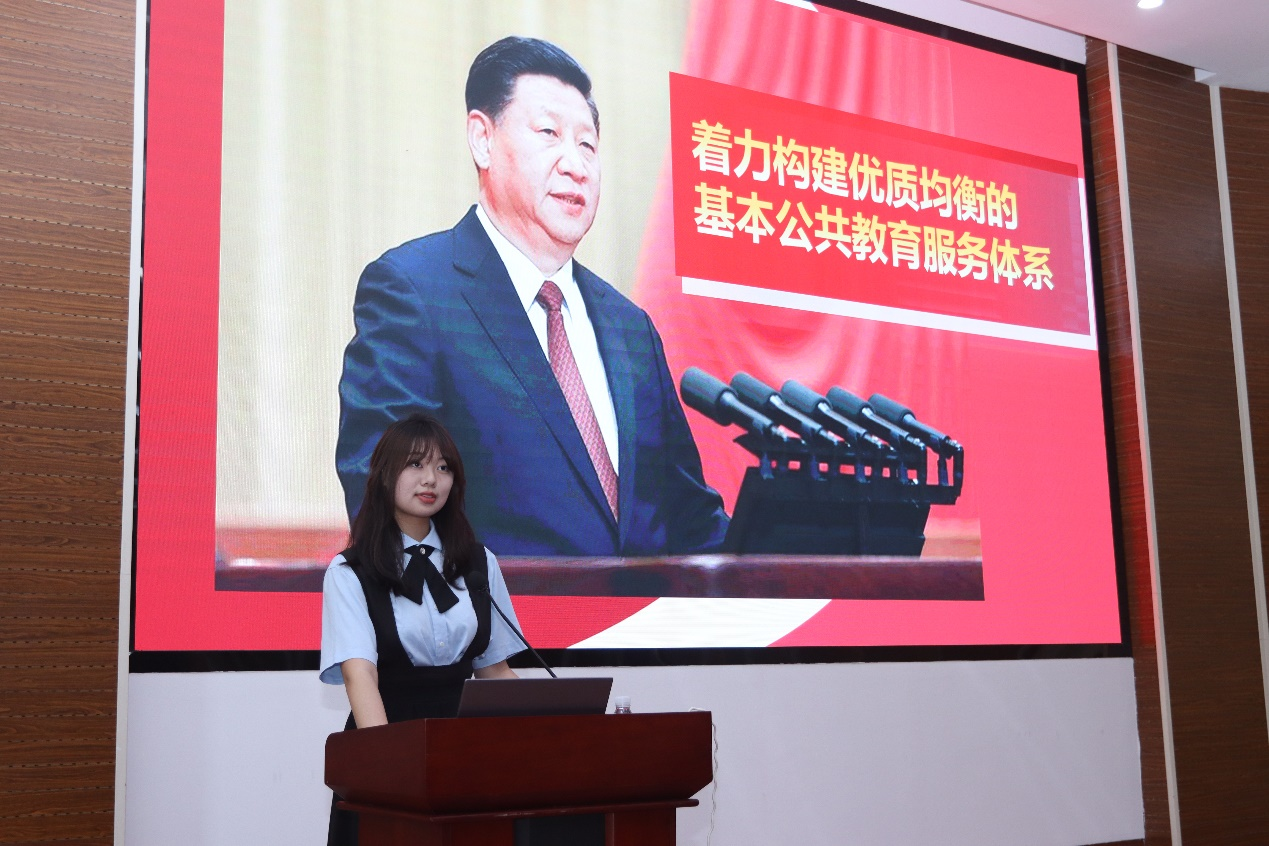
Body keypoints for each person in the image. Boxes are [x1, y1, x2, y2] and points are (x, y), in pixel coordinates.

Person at [335, 35, 730, 557]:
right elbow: (394, 510)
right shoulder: (414, 293)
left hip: (646, 613)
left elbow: (689, 518)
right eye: (549, 133)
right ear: (482, 140)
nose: (576, 165)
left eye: (588, 144)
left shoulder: (630, 327)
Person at [320, 414, 523, 845]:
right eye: (415, 464)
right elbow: (360, 676)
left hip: (465, 752)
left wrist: (549, 728)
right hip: (388, 742)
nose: (431, 479)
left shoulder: (479, 562)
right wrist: (389, 767)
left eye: (443, 467)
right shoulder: (350, 571)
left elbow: (494, 670)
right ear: (384, 474)